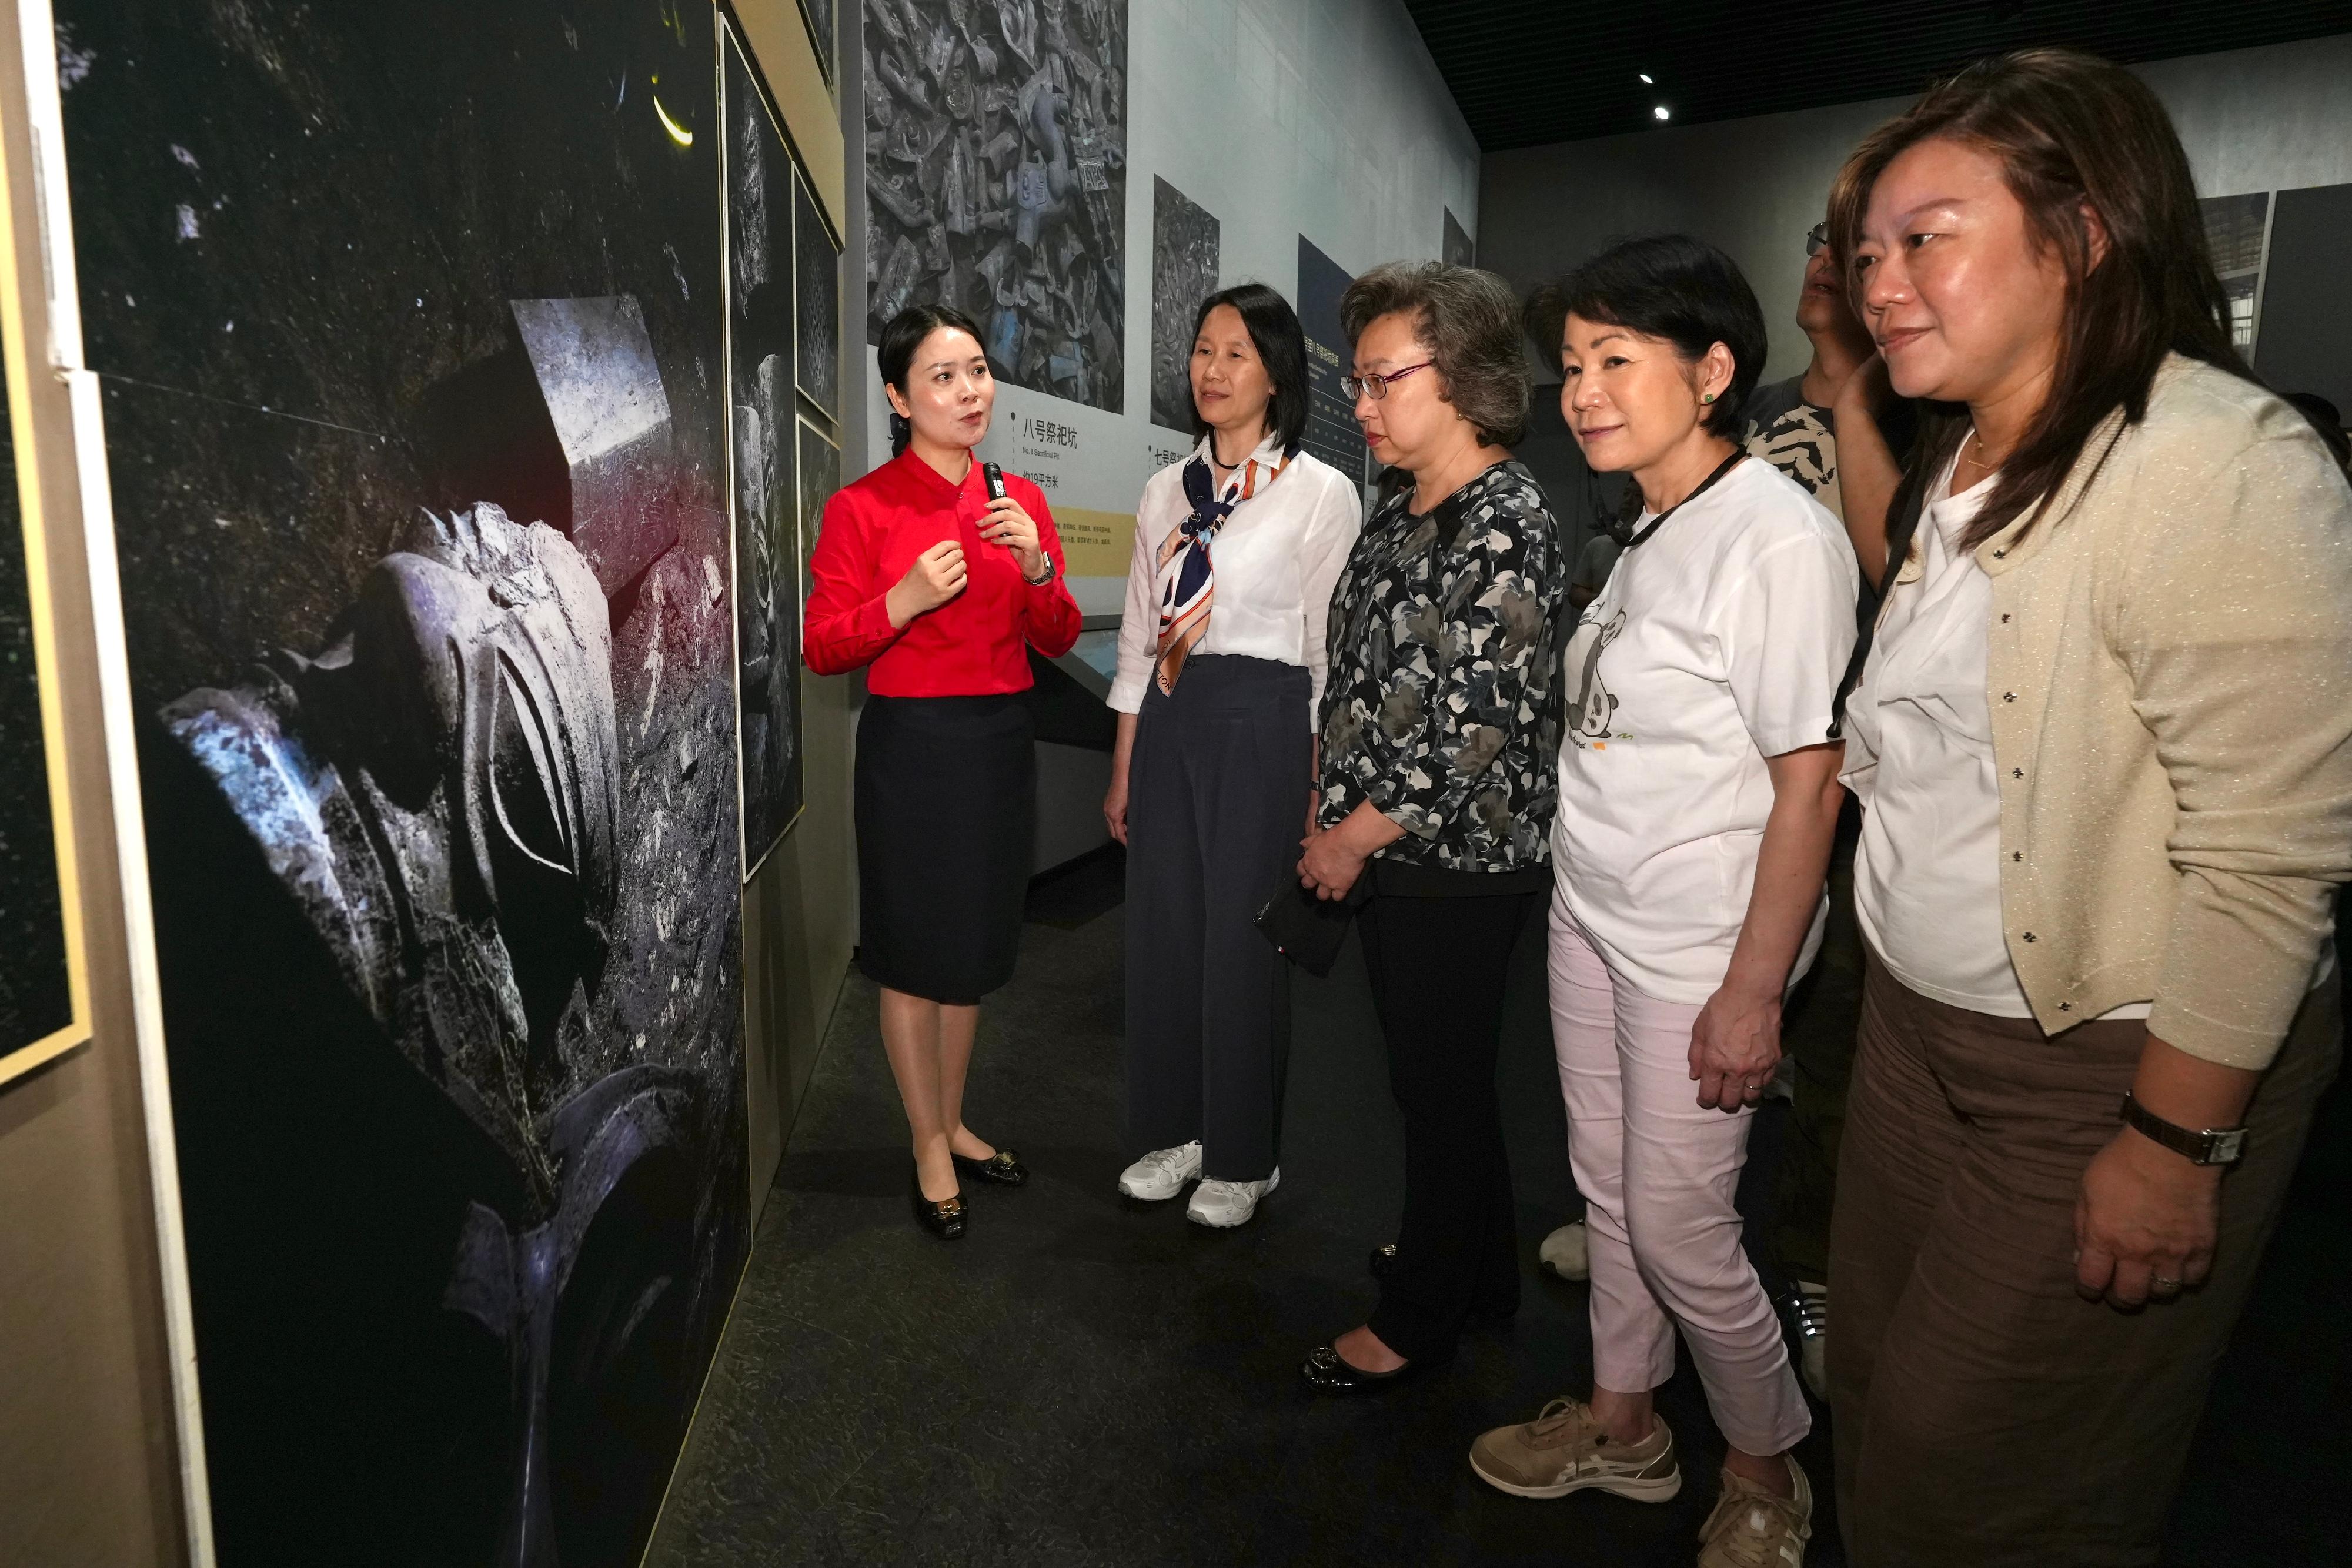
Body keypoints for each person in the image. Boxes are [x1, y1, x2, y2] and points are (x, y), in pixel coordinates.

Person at [1824, 49, 2352, 1565]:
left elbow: (2268, 854)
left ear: (2081, 235)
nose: (1878, 282)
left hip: (2104, 1065)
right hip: (1917, 1039)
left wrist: (2175, 1140)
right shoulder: (1959, 453)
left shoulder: (2210, 464)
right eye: (1865, 251)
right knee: (1869, 1401)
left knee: (1980, 1480)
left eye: (1924, 237)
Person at [1469, 235, 1855, 1568]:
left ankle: (1764, 1461)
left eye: (1615, 360)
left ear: (1712, 370)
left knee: (1685, 1229)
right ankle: (1624, 1422)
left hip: (1700, 943)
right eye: (1571, 364)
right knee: (1609, 1191)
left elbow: (1810, 786)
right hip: (1593, 912)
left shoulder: (1776, 538)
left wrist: (1754, 991)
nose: (1580, 391)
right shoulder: (1651, 525)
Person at [1294, 262, 1566, 1394]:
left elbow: (1471, 729)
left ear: (1459, 374)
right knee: (1442, 1083)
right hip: (1389, 848)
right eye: (1356, 382)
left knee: (1438, 1092)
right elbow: (1360, 679)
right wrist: (1329, 802)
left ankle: (1417, 1322)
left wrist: (1349, 837)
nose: (1360, 404)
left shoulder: (1509, 522)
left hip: (1457, 862)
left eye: (1381, 380)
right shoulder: (1401, 509)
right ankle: (1478, 1273)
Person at [804, 302, 1083, 1240]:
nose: (970, 392)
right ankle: (926, 1140)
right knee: (913, 954)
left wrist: (1037, 565)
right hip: (913, 749)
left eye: (978, 371)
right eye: (943, 377)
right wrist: (902, 601)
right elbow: (822, 645)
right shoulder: (863, 507)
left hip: (1000, 742)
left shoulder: (1018, 499)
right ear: (898, 396)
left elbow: (1058, 636)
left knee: (968, 956)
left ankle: (956, 1122)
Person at [1102, 284, 1362, 1228]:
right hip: (1172, 715)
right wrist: (1125, 765)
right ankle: (1175, 1133)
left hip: (1265, 720)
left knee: (1242, 941)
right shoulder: (1165, 490)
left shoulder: (1320, 493)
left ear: (1276, 373)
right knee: (1166, 932)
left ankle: (1246, 1156)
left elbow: (1328, 652)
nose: (1212, 370)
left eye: (1236, 353)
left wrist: (1320, 782)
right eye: (1204, 350)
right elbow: (1140, 640)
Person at [1738, 213, 1913, 1400]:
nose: (1823, 265)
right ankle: (1661, 1218)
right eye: (1815, 245)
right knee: (1709, 991)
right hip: (1727, 770)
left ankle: (1809, 1268)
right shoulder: (1751, 415)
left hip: (1853, 771)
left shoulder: (1913, 417)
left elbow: (1896, 580)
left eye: (1846, 251)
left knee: (1832, 1023)